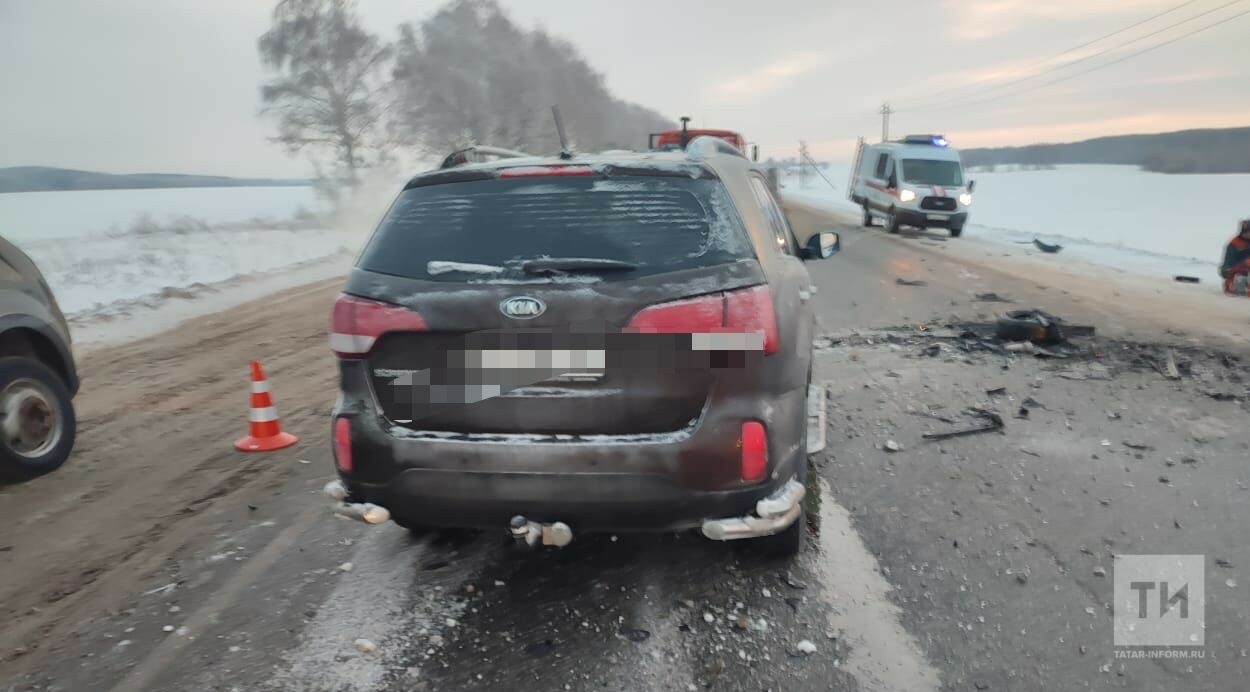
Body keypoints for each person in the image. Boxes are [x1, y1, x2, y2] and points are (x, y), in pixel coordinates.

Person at [1221, 219, 1250, 296]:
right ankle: (1234, 284)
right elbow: (1228, 259)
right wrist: (1227, 270)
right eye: (1247, 231)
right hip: (1236, 269)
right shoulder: (1235, 242)